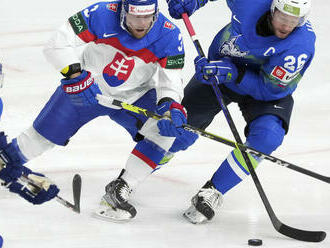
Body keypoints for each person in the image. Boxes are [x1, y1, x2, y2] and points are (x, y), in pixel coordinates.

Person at [0, 0, 198, 221]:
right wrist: (77, 76)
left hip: (134, 96)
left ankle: (121, 188)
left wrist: (171, 108)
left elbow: (170, 82)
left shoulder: (169, 35)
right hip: (86, 90)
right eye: (135, 17)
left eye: (147, 17)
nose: (142, 24)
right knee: (38, 140)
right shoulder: (102, 13)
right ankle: (5, 161)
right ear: (123, 11)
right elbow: (57, 44)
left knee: (169, 133)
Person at [167, 0, 315, 224]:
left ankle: (213, 191)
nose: (286, 26)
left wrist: (235, 75)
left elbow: (269, 89)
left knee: (268, 136)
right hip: (218, 71)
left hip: (263, 89)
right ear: (272, 9)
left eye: (294, 22)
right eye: (283, 18)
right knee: (177, 128)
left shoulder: (300, 46)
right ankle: (129, 178)